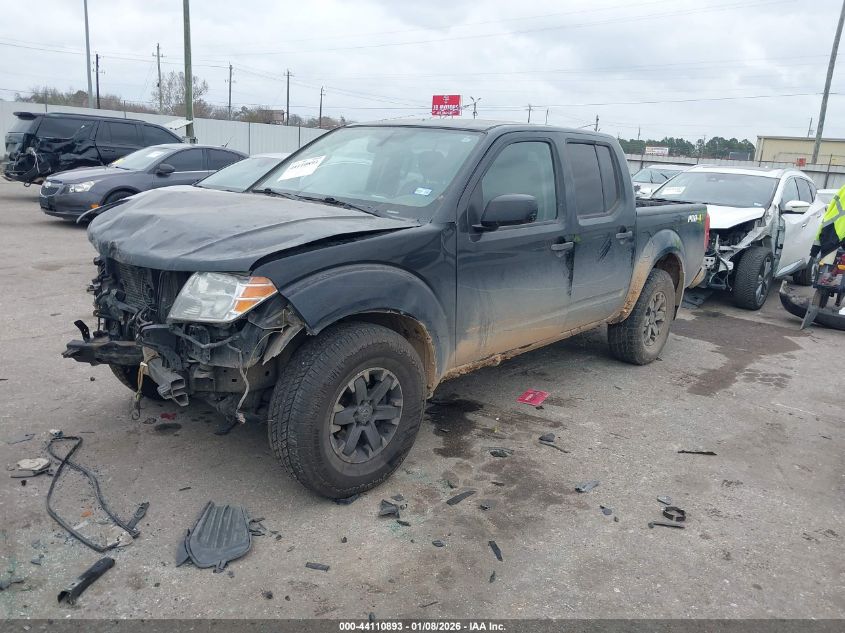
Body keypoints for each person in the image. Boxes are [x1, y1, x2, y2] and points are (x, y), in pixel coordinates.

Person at [810, 183, 845, 260]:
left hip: (835, 239)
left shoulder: (843, 190)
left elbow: (829, 217)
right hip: (836, 238)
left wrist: (816, 247)